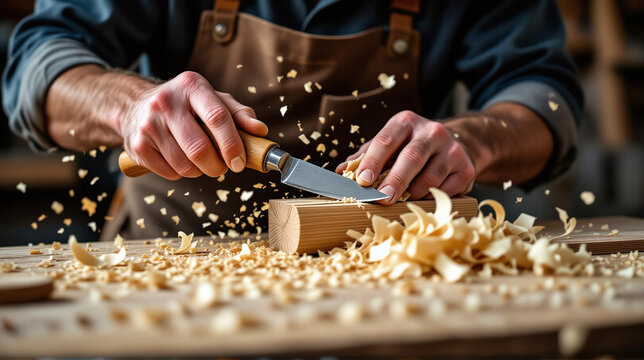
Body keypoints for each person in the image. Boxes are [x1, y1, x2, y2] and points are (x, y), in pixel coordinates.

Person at [2, 0, 583, 241]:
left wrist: (472, 138)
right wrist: (125, 104)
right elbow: (40, 63)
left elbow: (543, 98)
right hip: (173, 272)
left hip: (387, 280)